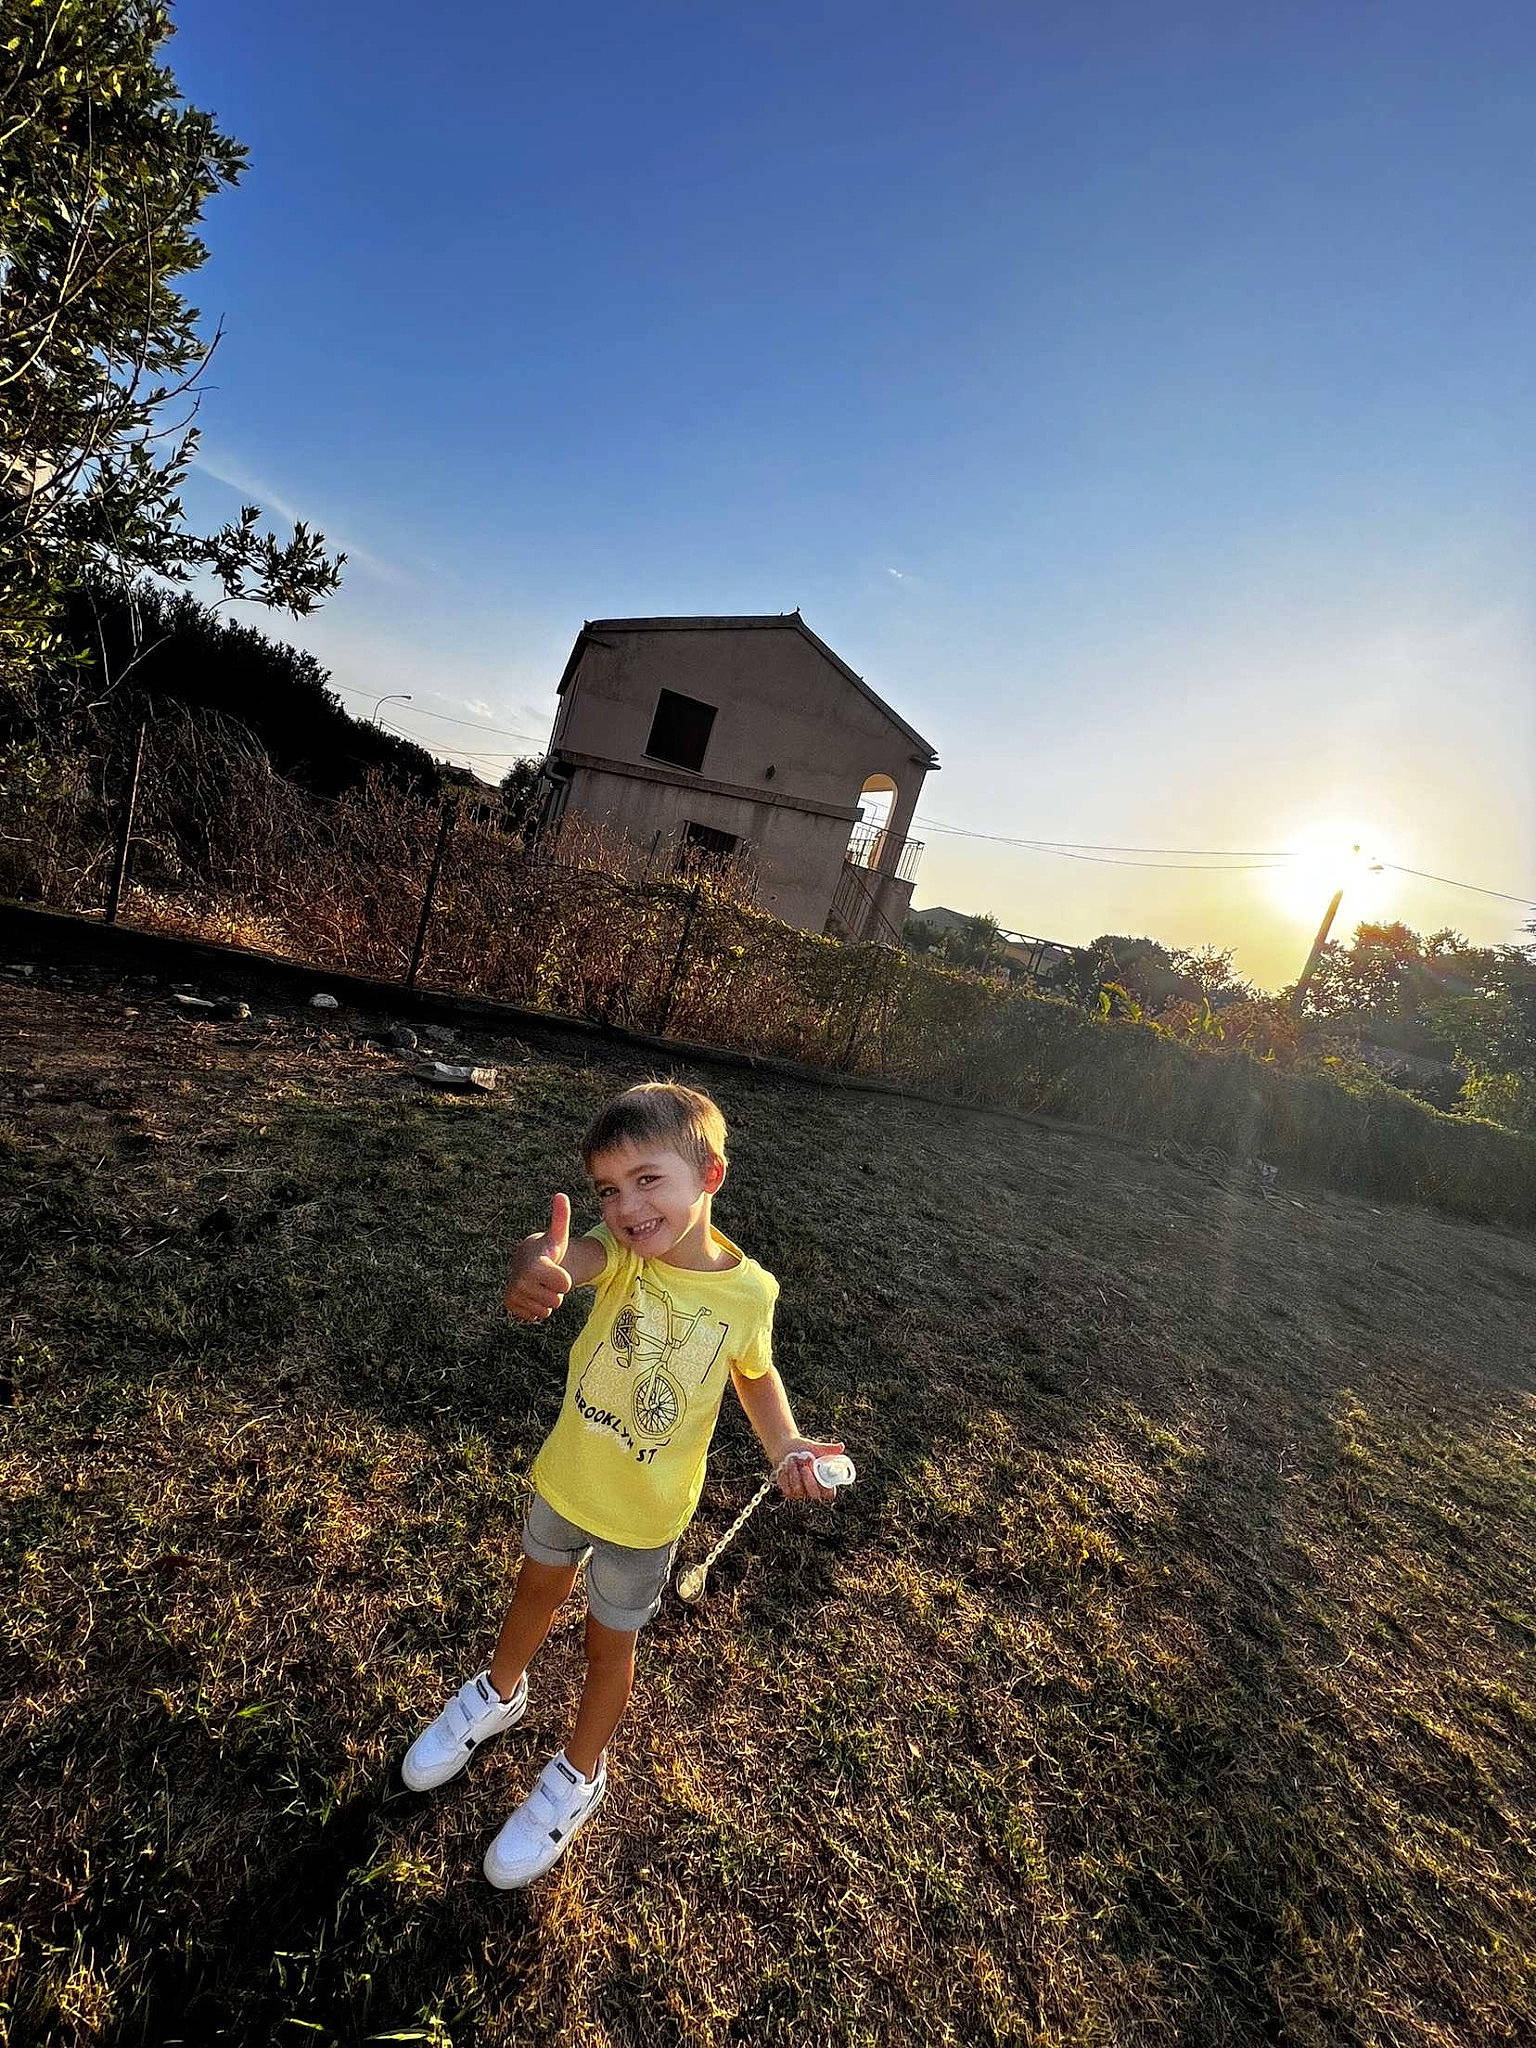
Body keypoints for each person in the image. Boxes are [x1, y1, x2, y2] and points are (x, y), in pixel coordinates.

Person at [401, 1080, 845, 1888]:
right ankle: (498, 1695)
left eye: (649, 1180)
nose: (629, 1207)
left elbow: (755, 1370)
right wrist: (534, 1264)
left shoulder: (750, 1294)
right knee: (533, 1590)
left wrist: (784, 1443)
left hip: (646, 1516)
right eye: (610, 1189)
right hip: (568, 1480)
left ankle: (578, 1774)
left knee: (609, 1643)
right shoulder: (619, 1259)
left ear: (709, 1175)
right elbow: (564, 1255)